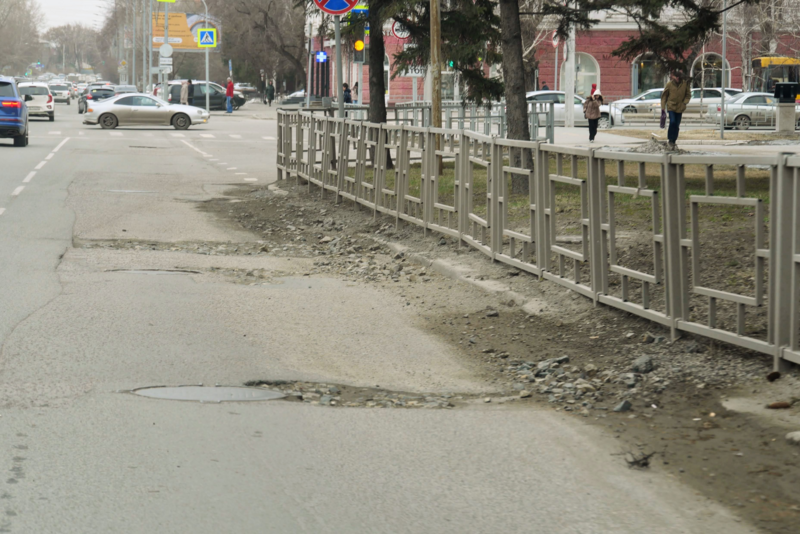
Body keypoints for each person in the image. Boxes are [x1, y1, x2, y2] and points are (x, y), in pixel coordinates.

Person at [660, 71, 691, 150]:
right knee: (672, 122)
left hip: (680, 107)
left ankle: (674, 140)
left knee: (677, 125)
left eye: (679, 78)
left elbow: (688, 95)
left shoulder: (684, 84)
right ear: (674, 77)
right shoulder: (669, 84)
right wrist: (663, 108)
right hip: (671, 107)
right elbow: (664, 97)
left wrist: (684, 103)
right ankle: (670, 139)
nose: (678, 79)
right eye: (676, 77)